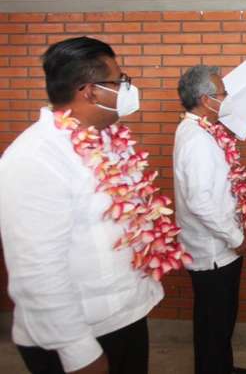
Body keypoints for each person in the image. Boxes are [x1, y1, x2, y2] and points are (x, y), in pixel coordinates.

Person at [0, 36, 170, 374]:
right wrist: (78, 352)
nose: (124, 89)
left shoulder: (107, 142)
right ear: (90, 91)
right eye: (119, 81)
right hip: (78, 335)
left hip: (123, 316)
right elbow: (36, 269)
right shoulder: (36, 157)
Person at [174, 65, 246, 374]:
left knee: (219, 319)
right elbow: (200, 202)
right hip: (214, 251)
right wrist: (236, 238)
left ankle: (222, 366)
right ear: (207, 100)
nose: (228, 98)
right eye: (223, 93)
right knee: (214, 320)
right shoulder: (197, 140)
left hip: (217, 248)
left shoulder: (201, 131)